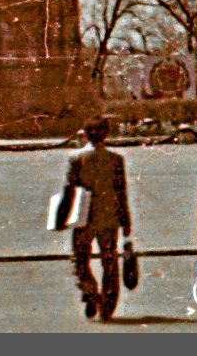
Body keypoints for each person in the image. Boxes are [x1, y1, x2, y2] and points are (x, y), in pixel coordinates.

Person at [59, 117, 133, 322]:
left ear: (85, 134)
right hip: (109, 215)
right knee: (110, 261)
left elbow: (69, 189)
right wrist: (126, 220)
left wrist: (62, 216)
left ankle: (91, 292)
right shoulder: (116, 159)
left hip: (83, 215)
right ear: (106, 134)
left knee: (80, 260)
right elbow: (121, 192)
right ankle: (108, 305)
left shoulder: (76, 158)